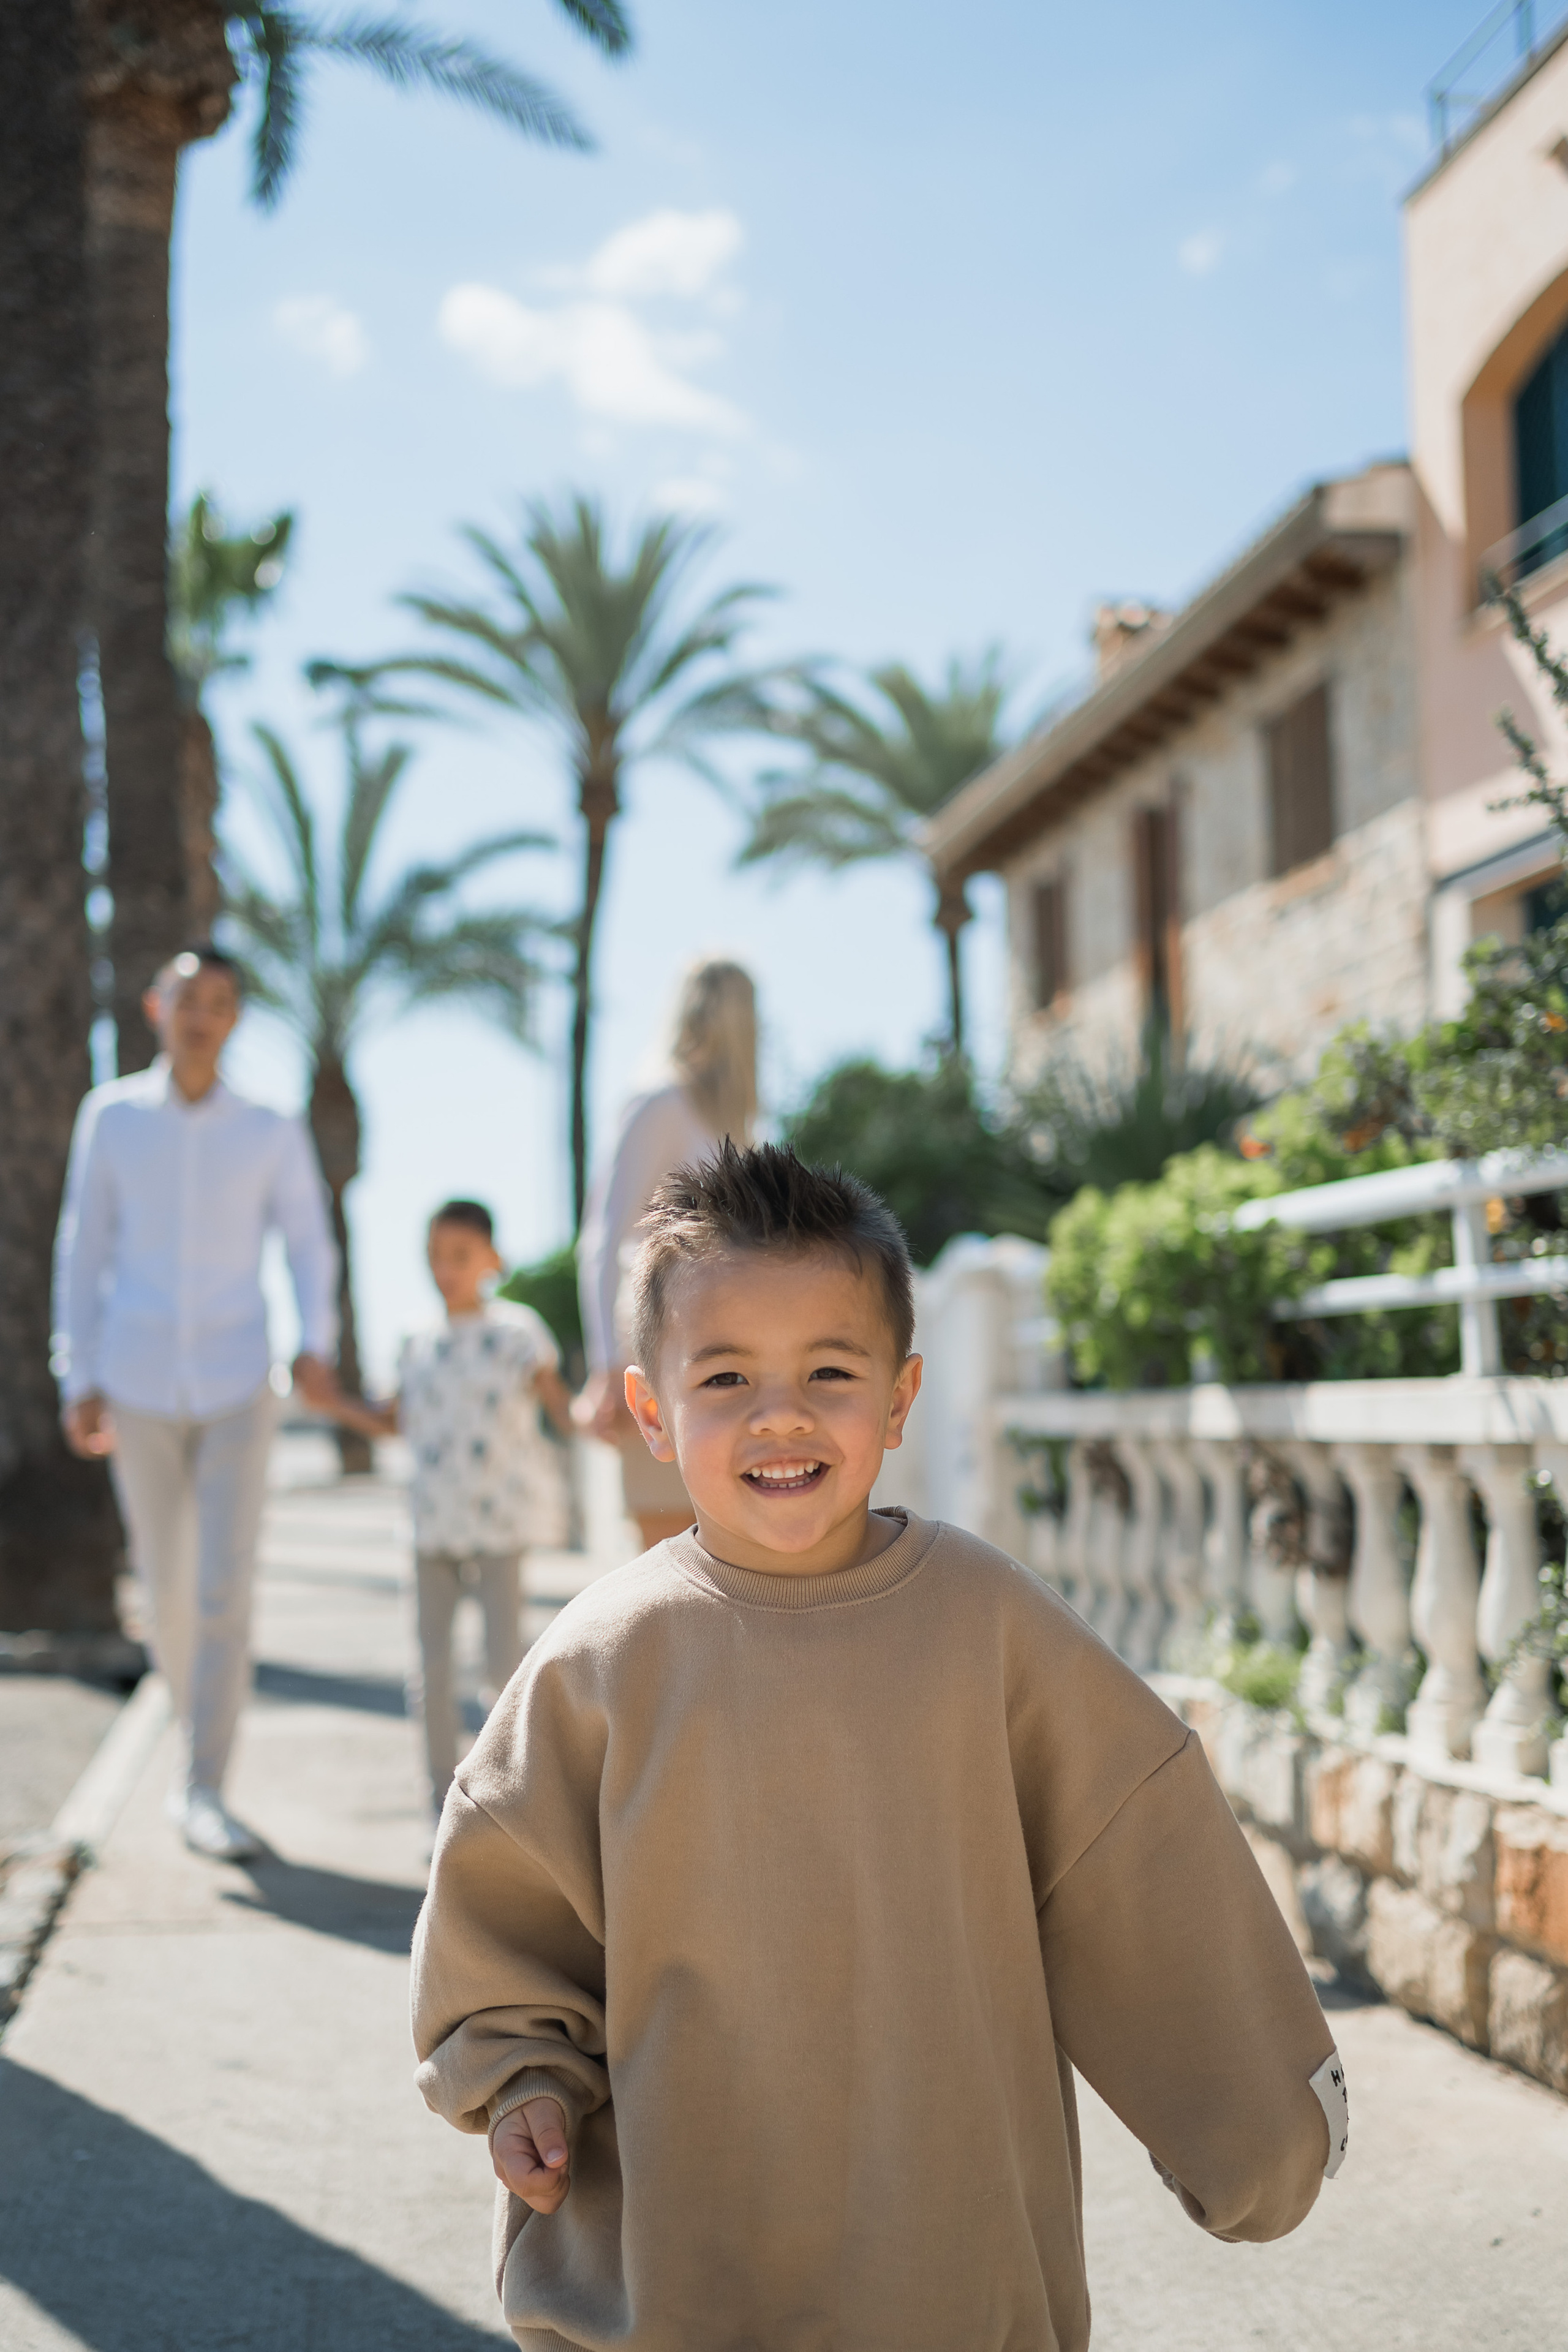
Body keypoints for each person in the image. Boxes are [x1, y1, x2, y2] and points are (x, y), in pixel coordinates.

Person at [412, 1142, 1347, 2352]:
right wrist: (520, 2084)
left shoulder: (984, 1621)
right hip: (685, 2271)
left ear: (898, 1400)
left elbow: (1134, 1853)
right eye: (727, 1377)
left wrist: (1254, 2126)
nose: (781, 1414)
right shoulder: (599, 1663)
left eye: (828, 1371)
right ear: (651, 1409)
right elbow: (506, 1917)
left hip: (948, 2267)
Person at [53, 946, 338, 1862]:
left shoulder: (269, 1127)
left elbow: (307, 1240)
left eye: (220, 1001)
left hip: (235, 1383)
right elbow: (83, 1246)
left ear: (236, 1018)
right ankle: (190, 1743)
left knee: (223, 1587)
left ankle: (203, 1785)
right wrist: (78, 1373)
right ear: (155, 1005)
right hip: (134, 1384)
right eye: (188, 998)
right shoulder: (112, 1119)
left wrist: (316, 1342)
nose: (202, 1015)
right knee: (167, 1588)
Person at [322, 1199, 573, 1823]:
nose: (445, 1269)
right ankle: (440, 1806)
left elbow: (562, 1411)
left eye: (459, 1256)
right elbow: (391, 1423)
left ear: (491, 1260)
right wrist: (329, 1402)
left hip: (499, 1527)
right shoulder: (414, 1338)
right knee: (431, 1669)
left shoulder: (519, 1332)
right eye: (435, 1255)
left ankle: (508, 1803)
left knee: (502, 1667)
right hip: (430, 1527)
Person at [573, 957, 756, 1550]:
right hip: (657, 1353)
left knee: (720, 1559)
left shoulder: (732, 1120)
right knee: (665, 1559)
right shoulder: (661, 1102)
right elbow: (604, 1237)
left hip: (724, 1360)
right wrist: (606, 1369)